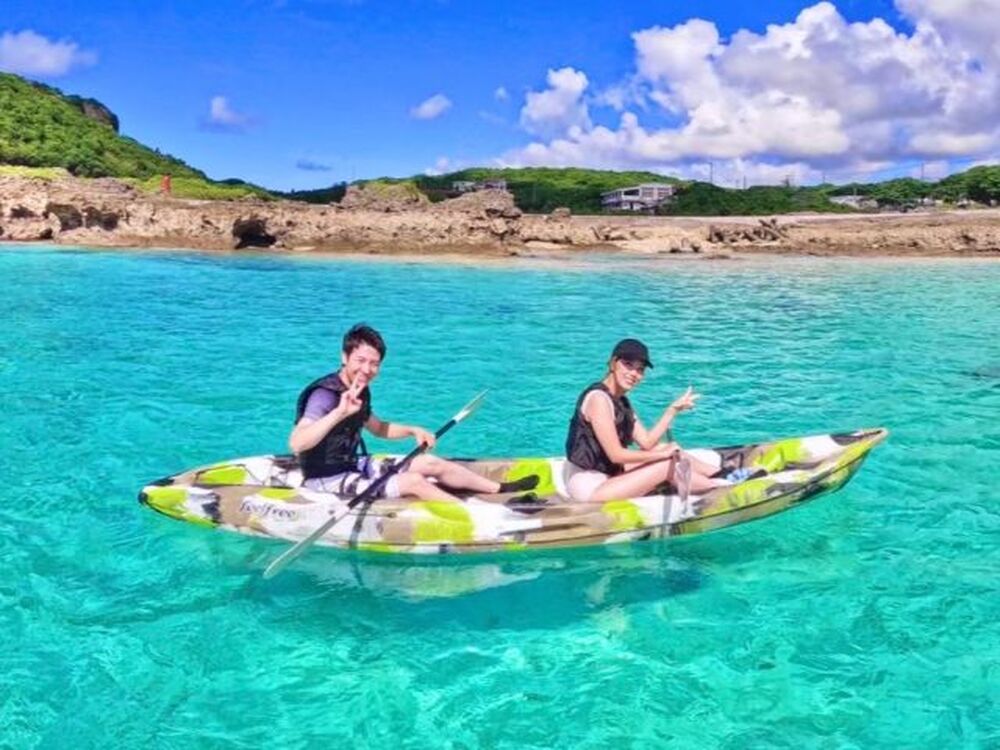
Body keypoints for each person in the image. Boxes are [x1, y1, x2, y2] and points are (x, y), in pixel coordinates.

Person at [290, 324, 537, 502]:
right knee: (414, 482)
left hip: (353, 464)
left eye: (374, 364)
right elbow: (297, 443)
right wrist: (339, 413)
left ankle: (499, 489)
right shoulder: (324, 395)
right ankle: (474, 514)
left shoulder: (359, 390)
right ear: (344, 357)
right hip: (325, 479)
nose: (367, 369)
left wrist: (413, 430)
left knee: (429, 463)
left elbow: (378, 428)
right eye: (360, 360)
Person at [564, 338, 733, 503]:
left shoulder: (620, 401)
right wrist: (662, 456)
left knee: (664, 448)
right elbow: (616, 455)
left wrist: (672, 410)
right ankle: (722, 488)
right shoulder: (599, 399)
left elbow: (647, 442)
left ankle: (722, 473)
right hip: (589, 486)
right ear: (613, 363)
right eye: (628, 365)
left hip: (608, 474)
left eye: (640, 369)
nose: (634, 374)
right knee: (666, 465)